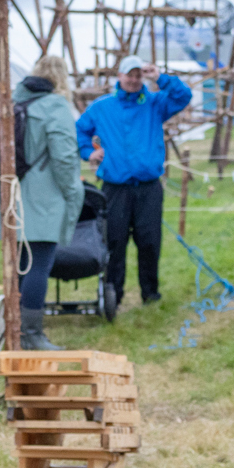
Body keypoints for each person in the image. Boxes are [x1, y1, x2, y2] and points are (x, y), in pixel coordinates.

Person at [75, 54, 190, 310]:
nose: (134, 79)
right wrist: (88, 152)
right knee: (114, 242)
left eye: (139, 74)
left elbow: (183, 96)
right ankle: (114, 293)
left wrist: (159, 77)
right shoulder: (102, 107)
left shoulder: (155, 103)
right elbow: (79, 130)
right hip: (115, 188)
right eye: (130, 74)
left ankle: (150, 292)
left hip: (149, 188)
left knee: (149, 241)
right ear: (120, 77)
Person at [13, 54, 82, 349]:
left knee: (21, 265)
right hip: (44, 196)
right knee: (39, 264)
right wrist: (73, 192)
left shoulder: (15, 103)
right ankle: (30, 335)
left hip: (14, 195)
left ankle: (14, 328)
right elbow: (64, 158)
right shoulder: (55, 106)